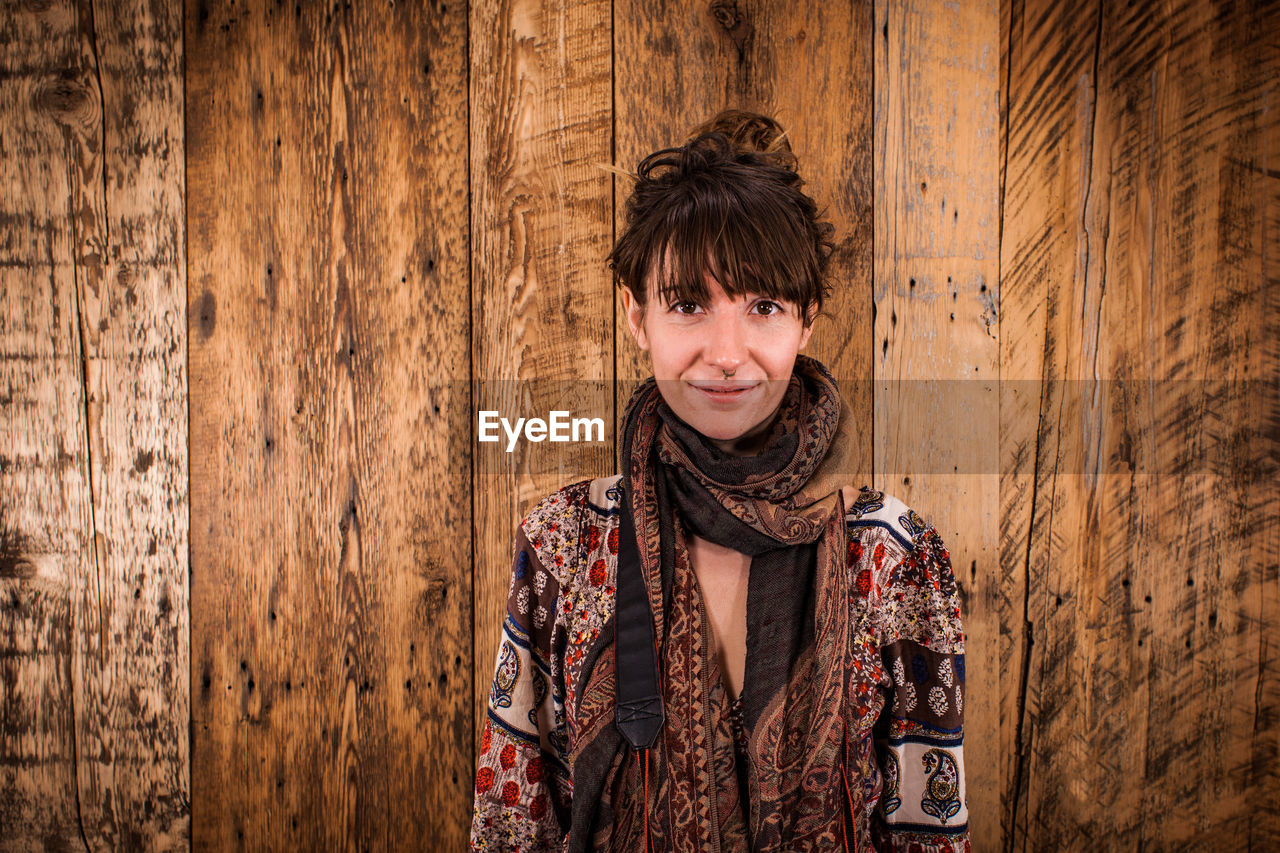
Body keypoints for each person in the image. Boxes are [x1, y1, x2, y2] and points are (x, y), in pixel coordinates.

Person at [469, 110, 969, 852]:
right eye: (688, 304)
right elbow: (513, 823)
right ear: (636, 317)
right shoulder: (565, 544)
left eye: (763, 306)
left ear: (806, 321)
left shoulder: (893, 556)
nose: (728, 354)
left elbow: (929, 833)